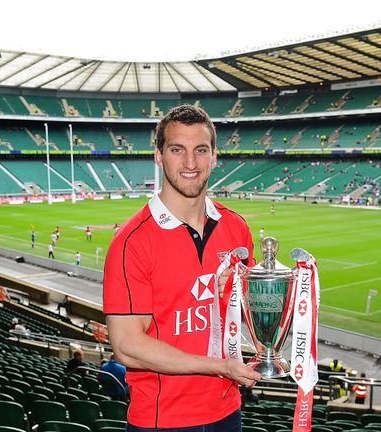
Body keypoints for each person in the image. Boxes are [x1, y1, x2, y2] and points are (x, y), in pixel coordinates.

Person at [103, 105, 260, 430]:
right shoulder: (132, 241)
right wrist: (218, 367)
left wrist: (244, 293)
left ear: (214, 157)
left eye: (200, 150)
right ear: (159, 156)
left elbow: (253, 316)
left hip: (228, 413)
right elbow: (127, 347)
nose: (191, 163)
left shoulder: (236, 229)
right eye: (178, 150)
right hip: (162, 420)